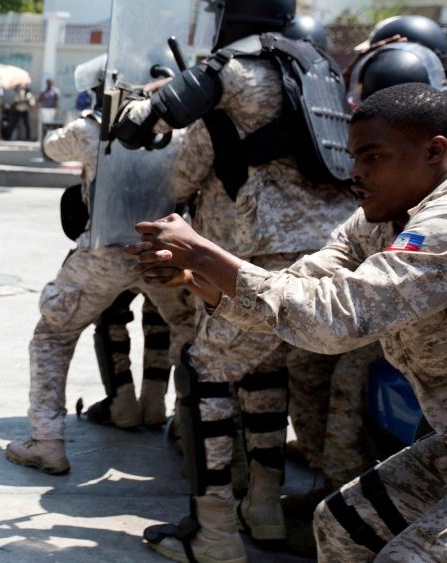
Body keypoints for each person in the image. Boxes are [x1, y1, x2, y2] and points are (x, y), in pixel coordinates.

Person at [129, 82, 447, 563]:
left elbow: (337, 317)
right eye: (354, 158)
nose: (354, 174)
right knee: (341, 522)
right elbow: (301, 286)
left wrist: (207, 252)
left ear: (435, 151)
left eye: (373, 157)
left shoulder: (441, 226)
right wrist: (201, 276)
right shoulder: (383, 217)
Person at [111, 1, 359, 560]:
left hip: (254, 253)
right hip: (329, 248)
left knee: (206, 372)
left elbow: (172, 159)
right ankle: (265, 508)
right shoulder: (313, 63)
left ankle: (215, 533)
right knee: (265, 371)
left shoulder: (231, 70)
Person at [5, 65, 195, 475]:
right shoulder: (179, 131)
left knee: (52, 335)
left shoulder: (91, 129)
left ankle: (48, 442)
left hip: (104, 252)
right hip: (162, 251)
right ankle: (189, 430)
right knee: (192, 332)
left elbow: (53, 146)